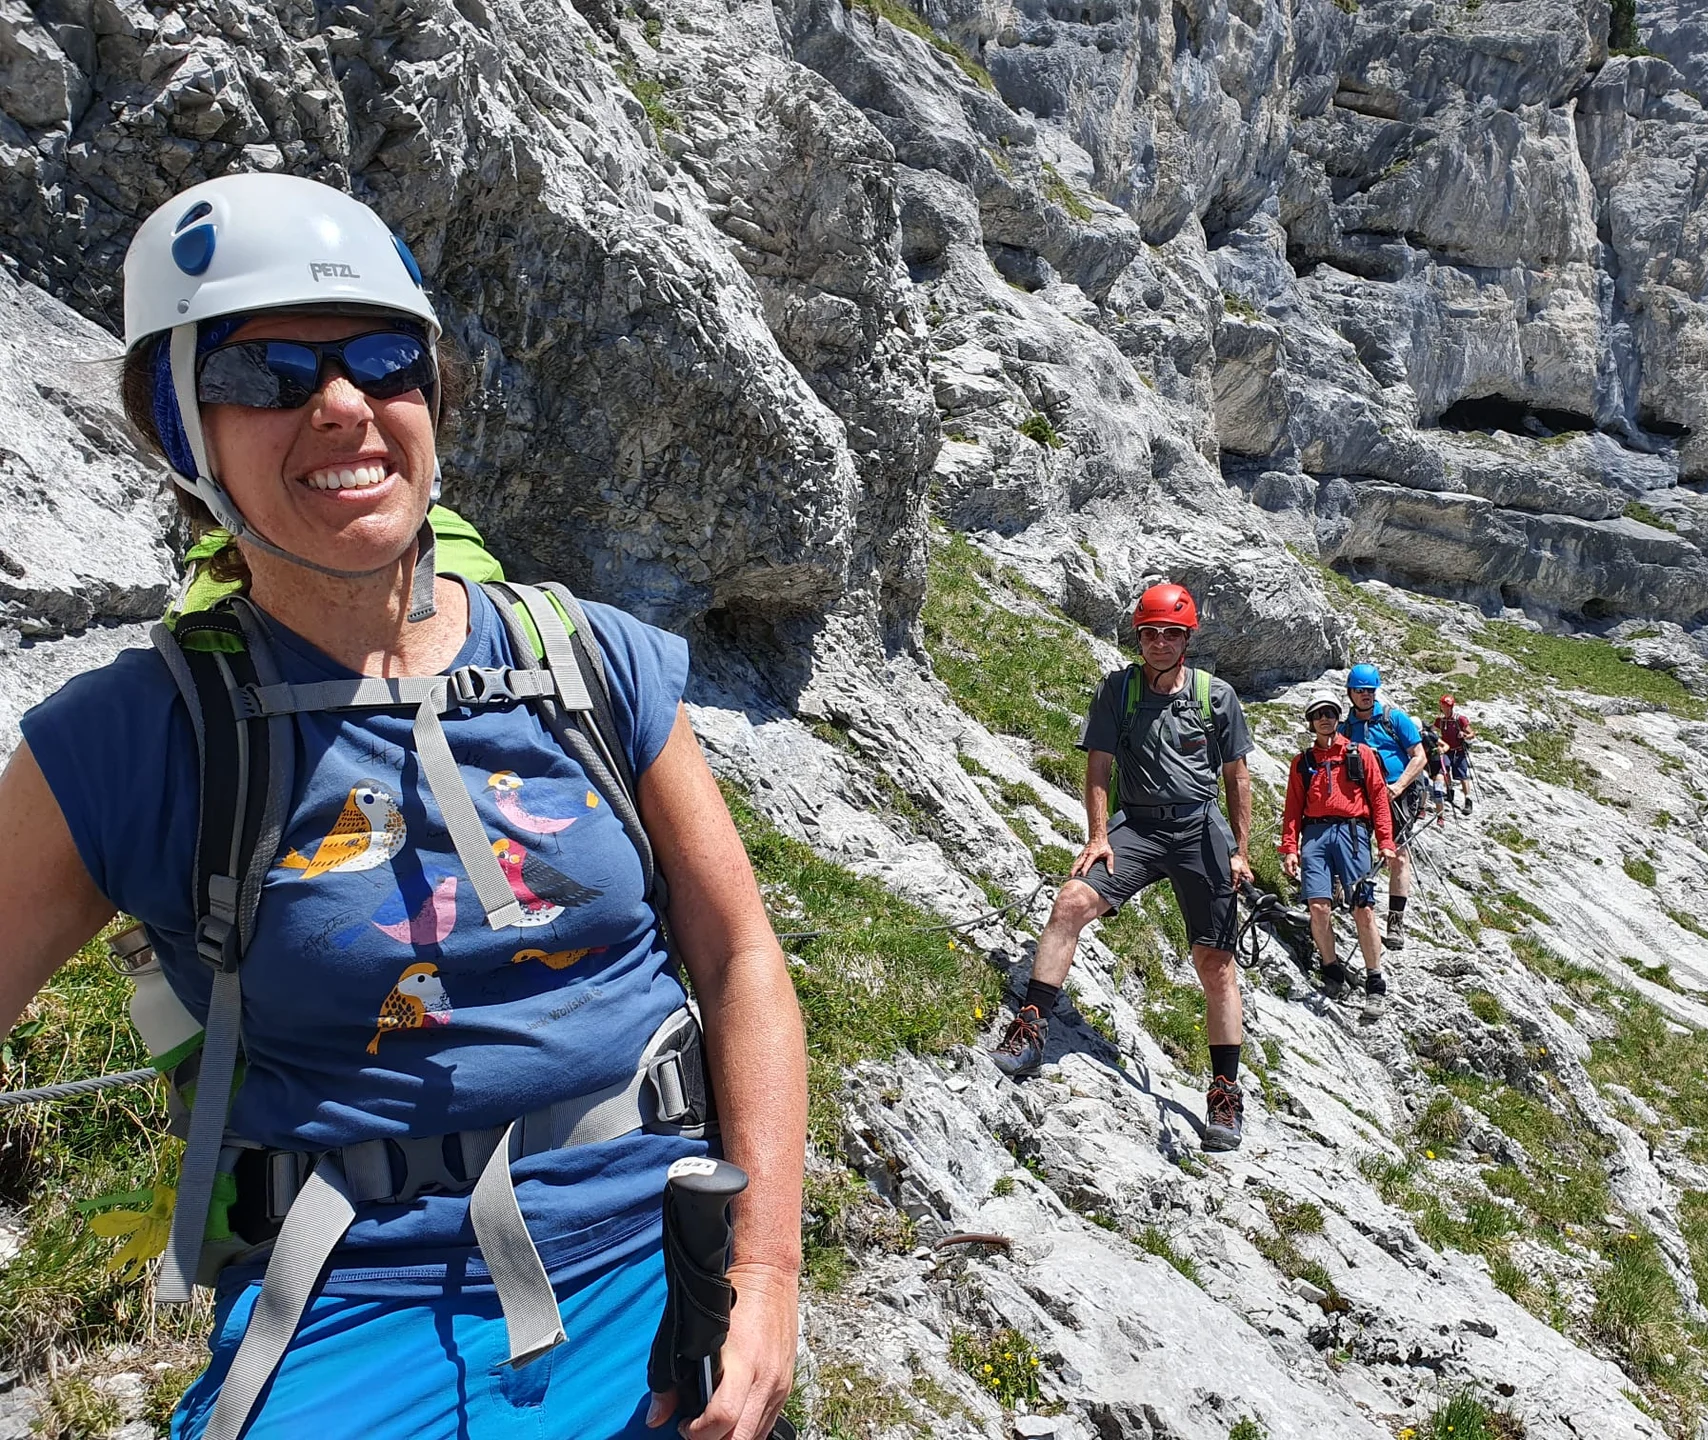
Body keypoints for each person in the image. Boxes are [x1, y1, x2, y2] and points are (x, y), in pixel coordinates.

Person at [0, 174, 802, 1440]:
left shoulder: (588, 660)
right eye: (263, 374)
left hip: (660, 1263)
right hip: (347, 1304)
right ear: (180, 431)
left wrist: (766, 1277)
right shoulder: (133, 738)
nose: (342, 409)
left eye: (383, 362)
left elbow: (741, 953)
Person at [986, 583, 1256, 1152]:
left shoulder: (1217, 697)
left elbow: (1237, 777)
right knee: (1069, 904)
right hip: (1139, 825)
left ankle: (1225, 1093)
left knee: (1216, 963)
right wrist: (1098, 835)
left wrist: (1239, 851)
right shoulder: (1118, 690)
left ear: (1188, 639)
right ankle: (1032, 1024)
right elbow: (1099, 765)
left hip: (1199, 829)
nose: (1160, 642)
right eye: (1151, 632)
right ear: (1139, 635)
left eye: (1171, 634)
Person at [1276, 691, 1397, 1019]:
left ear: (1337, 716)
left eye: (1329, 712)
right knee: (1318, 905)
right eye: (1318, 715)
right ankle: (1332, 971)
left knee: (1364, 909)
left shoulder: (1360, 754)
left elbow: (1378, 799)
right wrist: (1289, 847)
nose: (1325, 718)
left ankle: (1375, 982)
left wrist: (1385, 841)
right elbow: (1292, 809)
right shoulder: (1302, 763)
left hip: (1353, 834)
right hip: (1314, 836)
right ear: (1311, 722)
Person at [1339, 664, 1426, 952]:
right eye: (1360, 691)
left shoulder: (1394, 719)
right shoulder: (1345, 728)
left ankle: (1395, 921)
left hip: (1397, 793)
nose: (1366, 695)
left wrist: (1398, 787)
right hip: (1363, 795)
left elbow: (1419, 756)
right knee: (1353, 845)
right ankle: (1350, 896)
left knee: (1398, 853)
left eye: (1370, 691)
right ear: (1350, 692)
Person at [1436, 694, 1475, 816]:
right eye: (1443, 705)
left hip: (1459, 751)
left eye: (1447, 706)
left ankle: (1468, 800)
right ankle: (1449, 791)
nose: (1445, 708)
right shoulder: (1440, 720)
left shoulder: (1460, 719)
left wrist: (1465, 735)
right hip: (1447, 750)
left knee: (1463, 775)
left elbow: (1472, 734)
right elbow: (1432, 729)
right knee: (1445, 770)